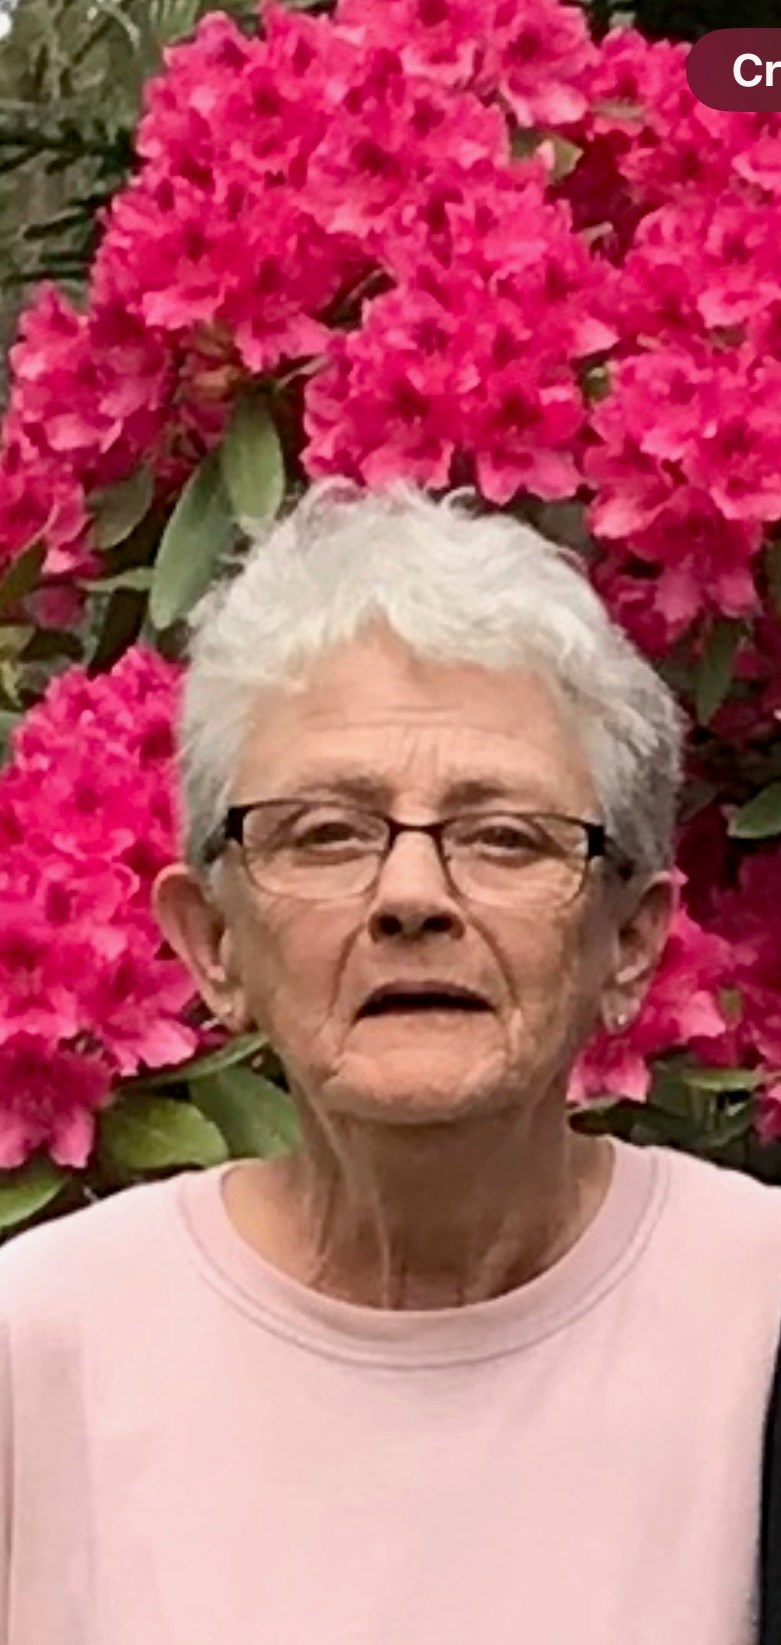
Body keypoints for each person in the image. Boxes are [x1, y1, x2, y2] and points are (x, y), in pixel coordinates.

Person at [1, 479, 780, 1645]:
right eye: (325, 833)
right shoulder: (39, 1344)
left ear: (628, 941)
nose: (411, 896)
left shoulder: (759, 1316)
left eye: (504, 835)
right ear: (213, 943)